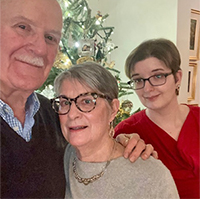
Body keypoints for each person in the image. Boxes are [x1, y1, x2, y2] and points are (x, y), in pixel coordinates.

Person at [0, 0, 154, 198]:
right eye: (23, 27)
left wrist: (120, 146)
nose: (39, 48)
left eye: (50, 37)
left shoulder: (54, 114)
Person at [51, 62, 180, 199]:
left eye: (87, 101)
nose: (72, 114)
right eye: (65, 103)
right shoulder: (58, 157)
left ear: (113, 109)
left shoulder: (151, 176)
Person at [114, 38, 200, 199]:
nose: (147, 88)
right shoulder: (127, 133)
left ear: (178, 77)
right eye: (138, 80)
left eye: (158, 76)